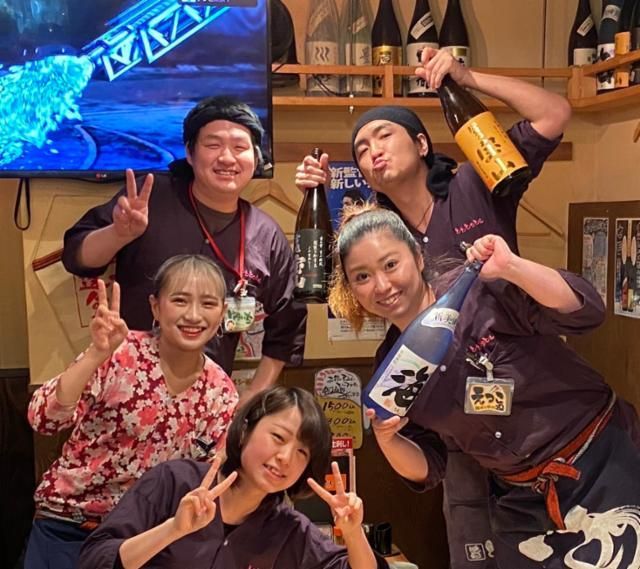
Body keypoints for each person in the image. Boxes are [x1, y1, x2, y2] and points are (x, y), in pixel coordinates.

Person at [296, 47, 572, 568]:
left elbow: (554, 114)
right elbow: (341, 286)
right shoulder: (384, 237)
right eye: (361, 149)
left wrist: (468, 78)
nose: (372, 151)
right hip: (460, 428)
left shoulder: (473, 185)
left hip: (532, 406)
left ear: (422, 143)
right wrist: (317, 198)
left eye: (384, 135)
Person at [328, 205, 640, 568]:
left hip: (601, 460)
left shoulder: (479, 290)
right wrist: (387, 440)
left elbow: (586, 311)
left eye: (390, 264)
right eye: (362, 276)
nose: (381, 285)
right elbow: (429, 467)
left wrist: (512, 267)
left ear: (417, 256)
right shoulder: (393, 366)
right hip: (522, 495)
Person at [62, 96, 306, 398]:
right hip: (125, 392)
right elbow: (76, 257)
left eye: (240, 147)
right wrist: (118, 234)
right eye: (213, 145)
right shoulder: (151, 197)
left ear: (256, 158)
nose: (227, 158)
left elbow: (288, 324)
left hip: (206, 402)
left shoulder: (265, 234)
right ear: (190, 153)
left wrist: (254, 396)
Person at [25, 254, 239, 569]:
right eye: (180, 300)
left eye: (208, 303)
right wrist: (95, 355)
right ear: (156, 307)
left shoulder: (221, 392)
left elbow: (208, 480)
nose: (194, 315)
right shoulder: (119, 353)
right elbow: (43, 419)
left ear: (222, 313)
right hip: (70, 525)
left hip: (147, 540)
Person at [78, 386, 388, 569]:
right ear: (244, 431)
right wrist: (173, 529)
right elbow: (95, 559)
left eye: (302, 452)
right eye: (278, 437)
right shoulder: (174, 481)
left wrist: (353, 533)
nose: (285, 457)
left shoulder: (289, 530)